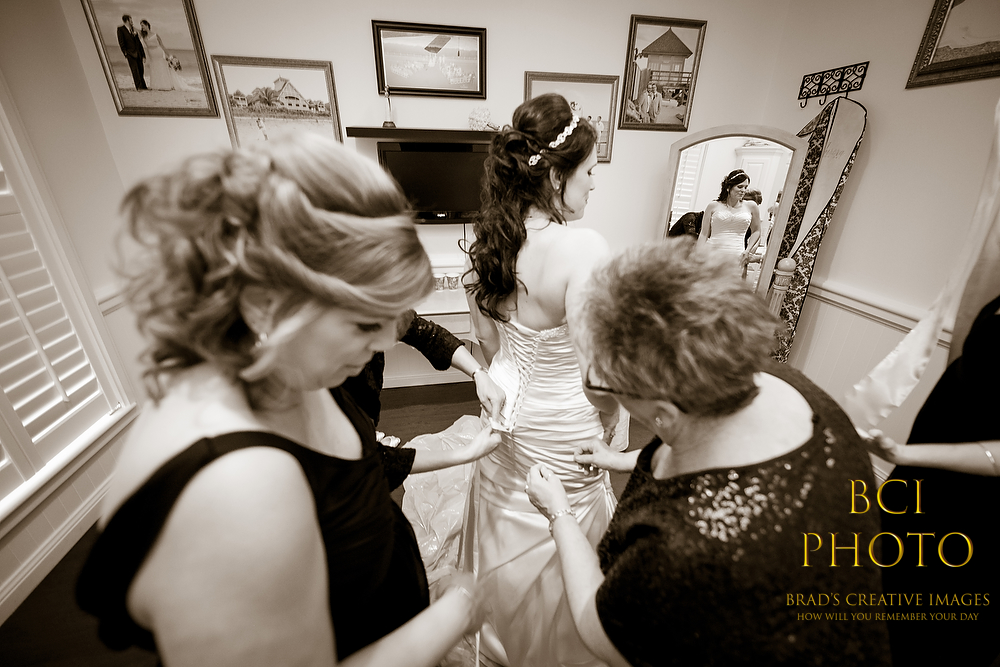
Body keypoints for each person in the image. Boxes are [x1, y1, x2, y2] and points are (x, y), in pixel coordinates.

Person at [75, 132, 501, 666]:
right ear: (265, 304)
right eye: (363, 322)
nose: (384, 342)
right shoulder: (236, 485)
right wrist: (454, 614)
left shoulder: (292, 368)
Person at [526, 238, 893, 667]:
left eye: (607, 383)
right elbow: (699, 449)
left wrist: (559, 513)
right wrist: (622, 460)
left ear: (663, 414)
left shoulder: (685, 550)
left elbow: (597, 627)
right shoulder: (789, 388)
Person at [461, 92, 618, 666]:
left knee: (505, 529)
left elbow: (490, 347)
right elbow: (599, 378)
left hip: (506, 425)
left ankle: (498, 645)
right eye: (589, 171)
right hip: (564, 426)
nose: (594, 184)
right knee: (562, 533)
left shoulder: (490, 244)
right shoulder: (583, 247)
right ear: (556, 176)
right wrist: (611, 422)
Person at [862, 239, 1000, 665]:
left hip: (973, 492)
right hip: (927, 459)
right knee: (883, 576)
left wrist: (907, 456)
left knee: (933, 613)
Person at [700, 168, 761, 275]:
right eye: (740, 187)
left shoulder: (751, 206)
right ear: (728, 187)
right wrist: (697, 254)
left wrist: (748, 250)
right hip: (712, 252)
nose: (743, 190)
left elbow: (756, 231)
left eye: (745, 187)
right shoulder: (713, 206)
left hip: (737, 253)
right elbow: (704, 234)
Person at [139, 21, 197, 92]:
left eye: (143, 25)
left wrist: (169, 55)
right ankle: (155, 85)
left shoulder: (155, 35)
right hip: (151, 55)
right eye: (141, 26)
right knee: (154, 68)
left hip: (159, 53)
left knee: (161, 68)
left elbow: (162, 46)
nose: (142, 27)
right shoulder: (143, 35)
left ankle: (164, 85)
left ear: (147, 25)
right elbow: (135, 29)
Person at [116, 14, 146, 91]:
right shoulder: (121, 29)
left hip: (138, 53)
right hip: (130, 54)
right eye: (130, 20)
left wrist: (143, 55)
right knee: (135, 71)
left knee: (141, 70)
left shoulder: (133, 29)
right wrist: (125, 53)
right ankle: (139, 87)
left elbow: (139, 43)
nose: (132, 21)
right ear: (127, 21)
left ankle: (143, 86)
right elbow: (121, 42)